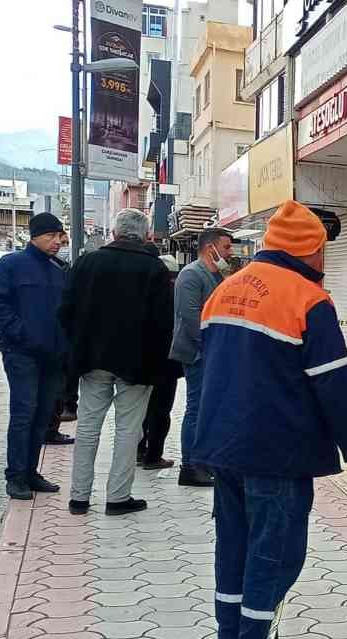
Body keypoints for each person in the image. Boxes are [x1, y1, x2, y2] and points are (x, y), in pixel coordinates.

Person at [191, 200, 347, 639]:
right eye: (321, 249)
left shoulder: (225, 290)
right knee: (275, 554)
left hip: (222, 445)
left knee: (233, 547)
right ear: (309, 249)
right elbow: (333, 382)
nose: (322, 259)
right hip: (277, 450)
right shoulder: (308, 299)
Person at [59, 208, 174, 516]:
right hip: (138, 365)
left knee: (87, 428)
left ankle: (79, 498)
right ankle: (117, 498)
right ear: (147, 234)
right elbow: (164, 324)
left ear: (113, 233)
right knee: (128, 430)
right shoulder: (155, 269)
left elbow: (65, 311)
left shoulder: (87, 263)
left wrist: (78, 349)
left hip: (92, 361)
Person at [0, 214, 70, 501]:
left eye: (60, 237)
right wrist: (21, 333)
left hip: (52, 357)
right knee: (23, 414)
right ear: (35, 236)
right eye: (52, 236)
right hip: (21, 353)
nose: (57, 242)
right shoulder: (11, 265)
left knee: (42, 416)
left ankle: (31, 472)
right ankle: (16, 476)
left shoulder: (58, 271)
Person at [169, 227, 231, 487]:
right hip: (198, 353)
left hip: (213, 353)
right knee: (196, 408)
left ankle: (203, 461)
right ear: (211, 248)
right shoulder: (191, 274)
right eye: (226, 247)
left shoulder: (216, 275)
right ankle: (190, 466)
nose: (230, 252)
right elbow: (190, 316)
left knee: (208, 409)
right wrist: (210, 347)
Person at [138, 254, 184, 472]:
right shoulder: (175, 294)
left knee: (142, 409)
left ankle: (139, 451)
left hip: (142, 360)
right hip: (167, 362)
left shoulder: (142, 292)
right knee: (161, 410)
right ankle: (153, 455)